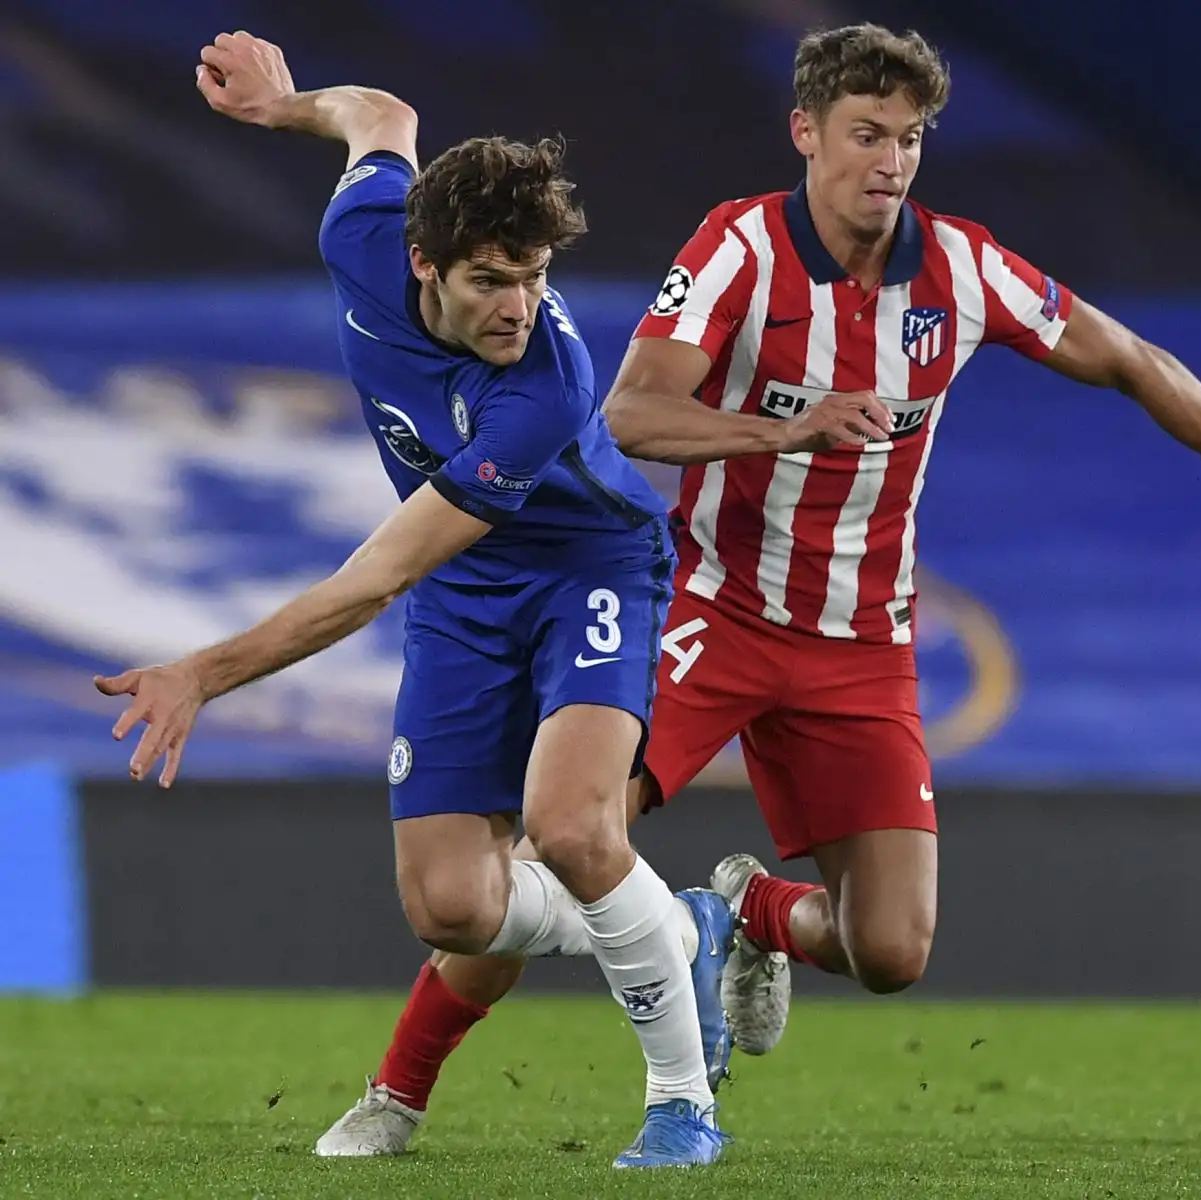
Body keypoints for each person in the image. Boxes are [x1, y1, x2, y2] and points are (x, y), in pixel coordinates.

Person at [321, 21, 1201, 1155]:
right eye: (867, 135)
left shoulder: (962, 269)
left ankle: (744, 914)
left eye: (909, 139)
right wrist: (784, 424)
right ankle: (400, 1090)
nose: (891, 162)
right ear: (806, 133)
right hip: (711, 609)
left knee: (892, 953)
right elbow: (631, 412)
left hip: (865, 642)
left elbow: (1130, 358)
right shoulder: (739, 250)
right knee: (564, 840)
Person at [97, 31, 736, 1169]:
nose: (520, 307)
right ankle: (672, 924)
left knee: (576, 829)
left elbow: (376, 576)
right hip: (467, 588)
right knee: (451, 905)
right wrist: (288, 106)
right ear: (424, 265)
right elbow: (381, 112)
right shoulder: (360, 234)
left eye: (536, 277)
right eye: (494, 280)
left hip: (590, 569)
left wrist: (202, 672)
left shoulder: (541, 389)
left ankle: (682, 1106)